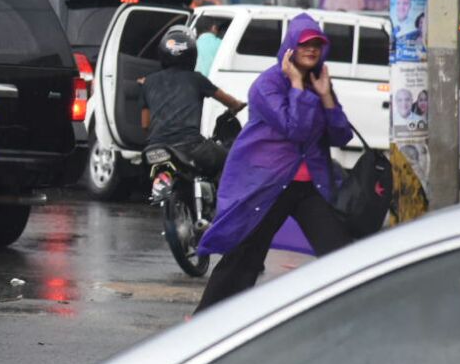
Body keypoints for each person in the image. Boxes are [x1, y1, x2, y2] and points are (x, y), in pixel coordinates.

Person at [194, 16, 355, 311]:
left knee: (339, 252)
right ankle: (206, 320)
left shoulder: (319, 83)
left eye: (317, 44)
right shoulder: (267, 85)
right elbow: (296, 128)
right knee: (245, 256)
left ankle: (354, 315)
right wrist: (296, 85)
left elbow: (341, 135)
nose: (312, 49)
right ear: (291, 47)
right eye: (305, 44)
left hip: (310, 186)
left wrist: (326, 97)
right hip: (271, 183)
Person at [141, 27, 244, 179]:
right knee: (231, 159)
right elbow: (227, 100)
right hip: (190, 146)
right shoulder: (196, 79)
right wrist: (237, 105)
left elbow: (145, 125)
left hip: (154, 149)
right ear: (192, 55)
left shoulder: (148, 82)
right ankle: (222, 201)